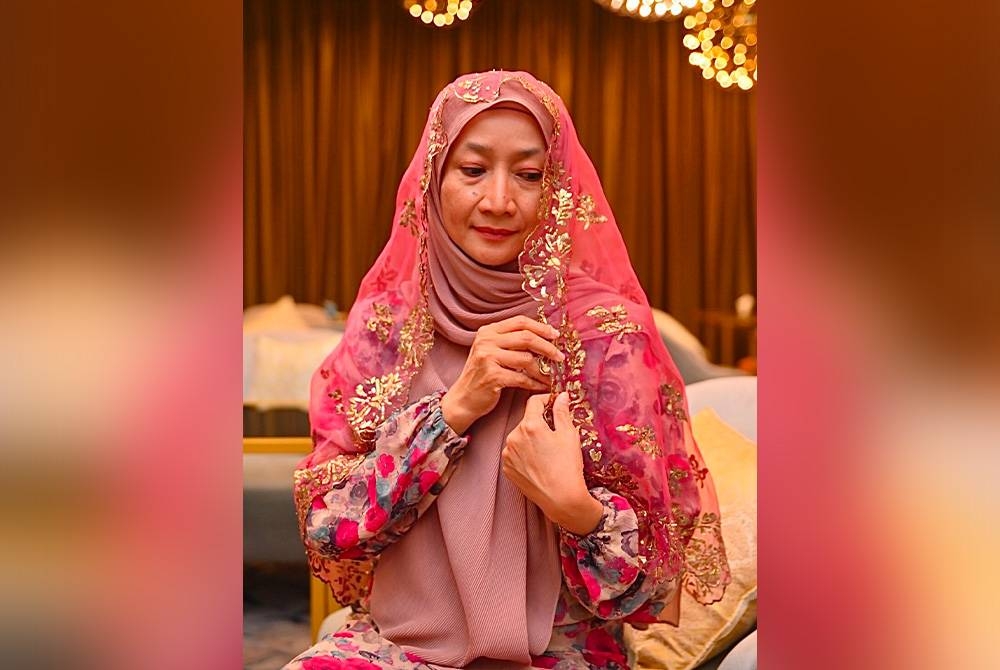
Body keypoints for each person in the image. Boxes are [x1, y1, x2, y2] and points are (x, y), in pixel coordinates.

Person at [285, 71, 729, 670]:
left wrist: (574, 508)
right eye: (473, 170)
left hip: (562, 649)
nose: (499, 200)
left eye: (529, 175)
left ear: (560, 188)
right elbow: (328, 528)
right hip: (392, 646)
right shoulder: (387, 326)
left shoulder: (606, 333)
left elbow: (648, 591)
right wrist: (452, 412)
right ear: (433, 179)